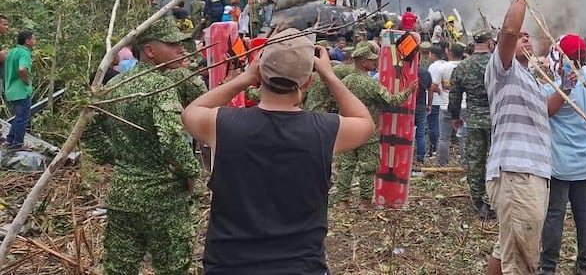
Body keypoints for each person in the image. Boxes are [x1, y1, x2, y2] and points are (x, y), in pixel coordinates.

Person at [181, 29, 375, 274]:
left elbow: (190, 112)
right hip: (300, 266)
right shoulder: (324, 130)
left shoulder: (223, 124)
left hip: (229, 265)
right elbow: (365, 121)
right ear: (307, 81)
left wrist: (243, 78)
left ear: (260, 72)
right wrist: (329, 75)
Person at [82, 19, 199, 275]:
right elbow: (173, 140)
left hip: (122, 195)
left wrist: (111, 156)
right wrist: (190, 174)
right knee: (173, 268)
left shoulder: (114, 86)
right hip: (162, 199)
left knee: (119, 269)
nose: (181, 50)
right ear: (149, 51)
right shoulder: (160, 87)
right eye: (172, 44)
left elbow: (86, 126)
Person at [484, 0, 551, 275]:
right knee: (521, 258)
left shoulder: (530, 78)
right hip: (516, 172)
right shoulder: (503, 69)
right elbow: (509, 31)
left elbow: (546, 111)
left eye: (529, 36)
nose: (525, 37)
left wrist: (568, 84)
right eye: (522, 35)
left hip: (531, 172)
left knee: (508, 247)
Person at [537, 34, 586, 275]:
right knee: (585, 215)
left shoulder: (554, 88)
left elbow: (545, 112)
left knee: (554, 215)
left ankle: (548, 267)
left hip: (560, 164)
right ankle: (585, 266)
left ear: (562, 57)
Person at [333, 41, 414, 206]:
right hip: (367, 132)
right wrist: (409, 90)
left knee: (346, 166)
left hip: (347, 129)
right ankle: (364, 201)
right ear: (364, 63)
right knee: (367, 167)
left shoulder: (344, 82)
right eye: (372, 61)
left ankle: (343, 201)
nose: (375, 63)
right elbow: (391, 100)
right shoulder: (370, 84)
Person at [450, 29, 495, 219]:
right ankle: (494, 199)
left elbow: (454, 98)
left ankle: (479, 201)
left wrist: (456, 117)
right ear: (490, 44)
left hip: (474, 120)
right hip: (497, 121)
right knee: (496, 162)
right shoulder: (498, 65)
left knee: (475, 162)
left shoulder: (462, 67)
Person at [3, 30, 36, 151]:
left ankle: (9, 140)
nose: (34, 41)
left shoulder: (12, 52)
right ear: (27, 41)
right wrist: (26, 81)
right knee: (23, 118)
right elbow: (22, 69)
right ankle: (17, 144)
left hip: (10, 90)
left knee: (18, 117)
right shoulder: (24, 53)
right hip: (21, 91)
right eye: (33, 38)